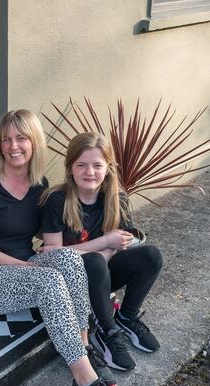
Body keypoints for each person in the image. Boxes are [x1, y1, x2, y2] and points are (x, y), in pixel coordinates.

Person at [0, 110, 136, 386]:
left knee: (69, 258)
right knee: (48, 280)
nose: (13, 146)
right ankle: (84, 383)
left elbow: (52, 240)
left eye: (21, 138)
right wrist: (27, 268)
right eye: (6, 140)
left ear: (34, 143)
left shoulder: (38, 184)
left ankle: (83, 347)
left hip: (27, 266)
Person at [40, 131, 163, 372]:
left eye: (97, 165)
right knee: (95, 261)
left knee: (151, 256)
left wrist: (103, 250)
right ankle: (107, 331)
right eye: (81, 165)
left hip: (102, 274)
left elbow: (123, 243)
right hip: (70, 280)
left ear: (108, 167)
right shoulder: (57, 200)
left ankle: (127, 317)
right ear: (70, 168)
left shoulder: (117, 198)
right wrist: (104, 242)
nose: (90, 172)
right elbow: (51, 254)